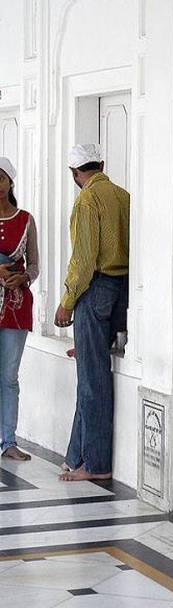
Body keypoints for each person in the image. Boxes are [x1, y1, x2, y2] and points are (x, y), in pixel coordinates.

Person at [55, 144, 130, 482]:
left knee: (92, 382)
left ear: (74, 173)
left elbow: (84, 261)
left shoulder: (86, 200)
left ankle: (96, 464)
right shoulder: (123, 195)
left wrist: (66, 302)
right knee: (90, 373)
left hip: (95, 290)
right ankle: (76, 455)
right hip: (121, 290)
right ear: (101, 163)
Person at [0, 157, 39, 461]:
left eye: (1, 178)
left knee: (9, 376)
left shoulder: (26, 219)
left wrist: (24, 276)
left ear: (10, 182)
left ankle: (8, 441)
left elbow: (35, 264)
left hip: (16, 305)